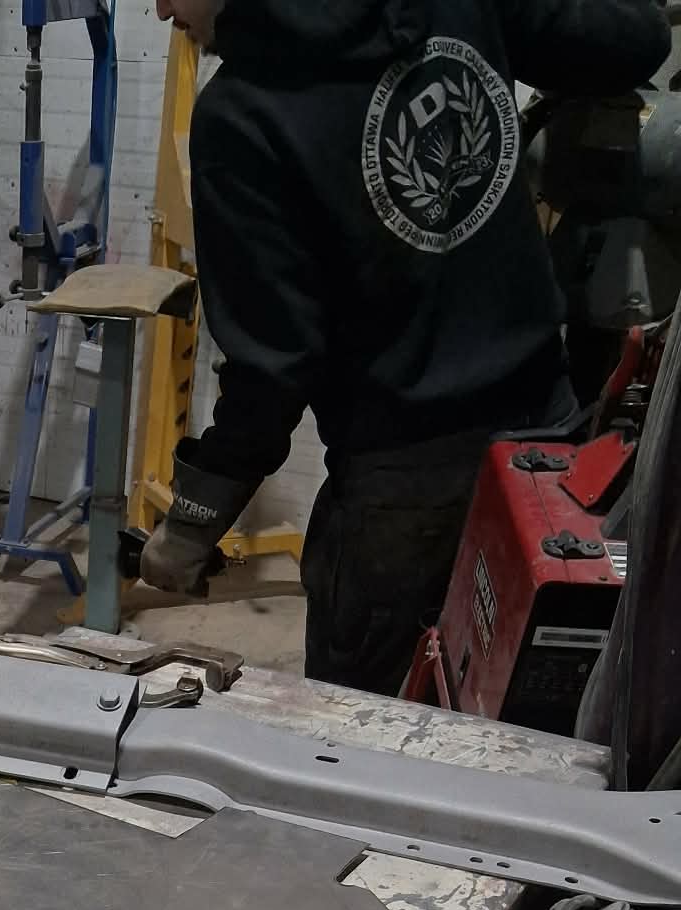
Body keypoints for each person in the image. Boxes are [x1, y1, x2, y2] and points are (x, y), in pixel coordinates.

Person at [140, 0, 671, 693]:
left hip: (401, 492)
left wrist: (194, 520)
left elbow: (272, 369)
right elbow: (632, 41)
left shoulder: (239, 116)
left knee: (360, 735)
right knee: (519, 713)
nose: (161, 10)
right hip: (548, 446)